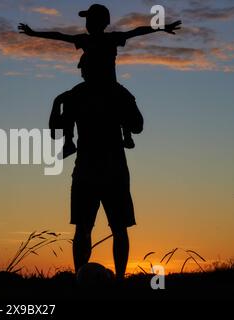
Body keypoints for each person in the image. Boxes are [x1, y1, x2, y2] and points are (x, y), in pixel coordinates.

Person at [20, 3, 181, 157]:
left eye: (89, 19)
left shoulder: (102, 39)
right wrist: (34, 33)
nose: (87, 23)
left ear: (100, 22)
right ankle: (70, 141)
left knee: (123, 103)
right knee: (83, 101)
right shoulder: (94, 39)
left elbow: (137, 31)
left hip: (106, 86)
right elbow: (60, 36)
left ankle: (121, 134)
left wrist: (162, 27)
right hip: (103, 86)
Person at [49, 68, 143, 280]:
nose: (83, 72)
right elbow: (137, 126)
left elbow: (55, 128)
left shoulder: (80, 93)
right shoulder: (116, 92)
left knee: (88, 228)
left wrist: (57, 101)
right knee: (109, 229)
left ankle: (85, 278)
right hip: (107, 170)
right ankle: (112, 279)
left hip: (93, 170)